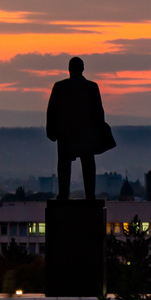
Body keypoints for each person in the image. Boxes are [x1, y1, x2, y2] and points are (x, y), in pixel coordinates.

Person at [46, 56, 115, 199]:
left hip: (66, 134)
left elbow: (52, 111)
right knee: (88, 162)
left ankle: (64, 194)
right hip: (86, 133)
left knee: (64, 164)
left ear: (69, 69)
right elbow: (98, 112)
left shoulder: (60, 87)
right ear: (83, 69)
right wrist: (98, 132)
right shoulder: (91, 87)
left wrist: (51, 131)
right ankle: (90, 195)